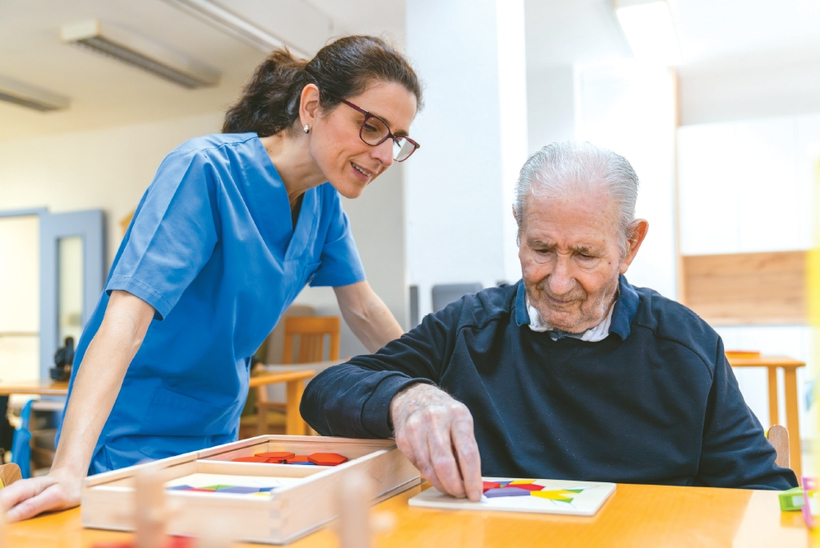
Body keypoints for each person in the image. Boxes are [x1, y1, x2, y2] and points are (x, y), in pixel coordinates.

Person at [0, 35, 422, 521]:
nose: (385, 154)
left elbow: (365, 310)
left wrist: (434, 396)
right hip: (131, 433)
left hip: (219, 432)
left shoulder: (323, 203)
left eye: (398, 139)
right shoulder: (203, 171)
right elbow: (126, 318)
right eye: (371, 126)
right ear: (311, 105)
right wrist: (67, 470)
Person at [301, 141, 798, 501]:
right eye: (541, 249)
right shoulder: (469, 328)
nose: (558, 282)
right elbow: (324, 393)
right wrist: (406, 396)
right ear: (519, 232)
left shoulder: (686, 345)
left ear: (630, 246)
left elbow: (761, 494)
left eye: (584, 255)